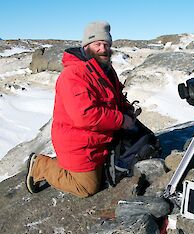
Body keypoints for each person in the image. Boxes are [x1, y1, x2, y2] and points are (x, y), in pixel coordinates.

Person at [26, 21, 137, 197]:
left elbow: (116, 96)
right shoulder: (73, 75)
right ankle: (41, 165)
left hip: (100, 136)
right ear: (86, 46)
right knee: (87, 188)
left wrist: (127, 109)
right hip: (78, 141)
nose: (103, 49)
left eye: (106, 44)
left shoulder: (106, 70)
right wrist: (121, 120)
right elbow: (85, 116)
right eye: (97, 44)